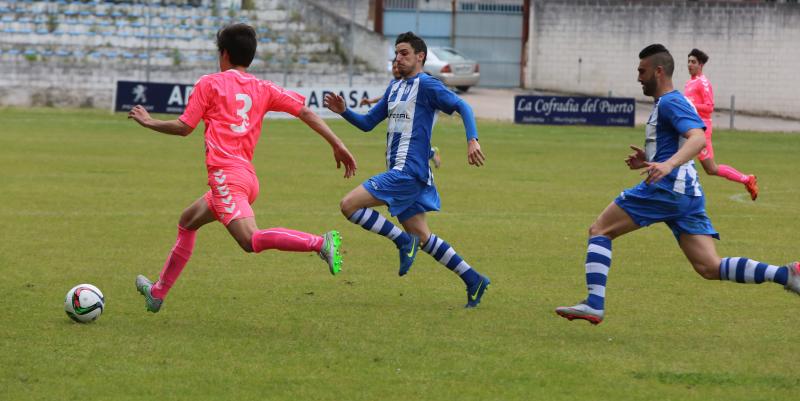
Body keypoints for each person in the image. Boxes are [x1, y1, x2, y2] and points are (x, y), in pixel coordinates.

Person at [555, 44, 799, 325]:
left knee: (600, 230)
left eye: (642, 71)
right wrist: (650, 159)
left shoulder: (671, 102)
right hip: (687, 193)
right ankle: (786, 274)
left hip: (667, 189)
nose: (638, 77)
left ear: (658, 71)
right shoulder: (666, 103)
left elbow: (696, 138)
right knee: (709, 267)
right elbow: (678, 142)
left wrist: (668, 165)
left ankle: (594, 303)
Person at [127, 23, 358, 313]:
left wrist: (149, 122)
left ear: (223, 54)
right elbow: (305, 111)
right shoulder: (263, 88)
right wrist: (337, 143)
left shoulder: (209, 83)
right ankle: (157, 293)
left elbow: (184, 127)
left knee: (250, 241)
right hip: (245, 178)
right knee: (187, 222)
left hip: (226, 178)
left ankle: (319, 243)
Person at [324, 31, 490, 308]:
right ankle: (474, 280)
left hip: (407, 172)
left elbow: (462, 105)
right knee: (423, 236)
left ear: (420, 57)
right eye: (396, 54)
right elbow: (367, 124)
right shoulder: (395, 88)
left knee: (349, 206)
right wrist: (344, 111)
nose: (398, 59)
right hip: (406, 173)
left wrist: (472, 139)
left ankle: (403, 242)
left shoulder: (427, 85)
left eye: (404, 53)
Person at [685, 48, 758, 200]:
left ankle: (682, 195)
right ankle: (746, 179)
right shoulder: (689, 83)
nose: (689, 65)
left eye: (693, 62)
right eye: (688, 61)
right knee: (710, 169)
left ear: (701, 65)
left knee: (702, 166)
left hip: (701, 131)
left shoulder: (703, 83)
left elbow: (709, 107)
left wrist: (691, 105)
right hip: (690, 129)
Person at [362, 59, 442, 169]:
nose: (395, 70)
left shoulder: (418, 80)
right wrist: (371, 101)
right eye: (393, 67)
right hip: (402, 118)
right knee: (397, 148)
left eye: (397, 67)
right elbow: (386, 97)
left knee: (414, 143)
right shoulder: (394, 83)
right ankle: (429, 155)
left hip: (421, 116)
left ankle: (429, 156)